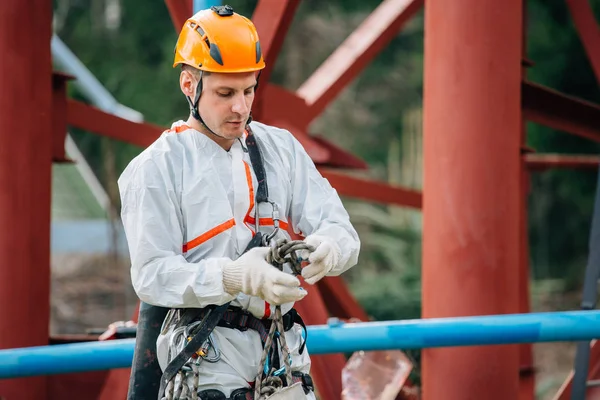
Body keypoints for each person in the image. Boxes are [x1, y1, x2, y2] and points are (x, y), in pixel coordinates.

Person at [118, 5, 360, 399]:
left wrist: (328, 248)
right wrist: (232, 277)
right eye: (225, 93)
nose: (241, 107)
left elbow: (341, 230)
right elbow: (152, 276)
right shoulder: (155, 169)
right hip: (204, 358)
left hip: (282, 355)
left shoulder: (280, 148)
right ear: (188, 85)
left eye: (249, 90)